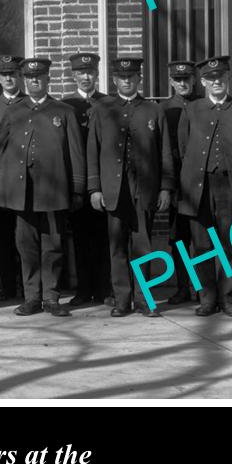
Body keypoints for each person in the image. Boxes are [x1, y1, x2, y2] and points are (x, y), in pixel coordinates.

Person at [0, 58, 85, 317]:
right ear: (24, 80)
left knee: (53, 246)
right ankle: (32, 296)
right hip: (22, 192)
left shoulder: (63, 111)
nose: (34, 81)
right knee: (26, 245)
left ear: (48, 79)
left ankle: (52, 297)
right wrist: (0, 185)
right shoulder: (13, 112)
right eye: (30, 77)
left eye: (39, 77)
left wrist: (77, 189)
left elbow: (75, 153)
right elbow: (1, 152)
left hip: (53, 192)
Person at [177, 56, 232, 317]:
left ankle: (227, 299)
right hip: (199, 188)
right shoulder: (192, 110)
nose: (217, 82)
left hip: (231, 188)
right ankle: (207, 298)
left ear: (227, 80)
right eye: (211, 79)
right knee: (202, 245)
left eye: (221, 78)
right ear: (203, 82)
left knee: (229, 244)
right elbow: (182, 149)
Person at [87, 58, 174, 318]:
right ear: (114, 80)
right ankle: (122, 300)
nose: (127, 81)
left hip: (144, 187)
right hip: (114, 187)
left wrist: (165, 188)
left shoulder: (152, 110)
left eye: (132, 76)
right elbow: (93, 150)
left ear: (139, 79)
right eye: (122, 77)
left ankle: (145, 299)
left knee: (143, 245)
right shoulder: (102, 109)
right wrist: (95, 189)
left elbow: (165, 153)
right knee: (117, 246)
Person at [64, 51, 110, 307]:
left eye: (90, 72)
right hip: (77, 182)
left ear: (97, 75)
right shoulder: (65, 105)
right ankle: (83, 290)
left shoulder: (108, 104)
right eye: (81, 73)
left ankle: (104, 288)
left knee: (105, 238)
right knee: (81, 239)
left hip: (105, 182)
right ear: (73, 76)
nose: (85, 77)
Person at [0, 55, 26, 300]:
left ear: (19, 77)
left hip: (27, 184)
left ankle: (29, 287)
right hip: (3, 185)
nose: (9, 78)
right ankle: (8, 287)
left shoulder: (29, 103)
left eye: (13, 74)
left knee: (27, 239)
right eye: (4, 74)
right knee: (5, 238)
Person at [160, 60, 199, 306]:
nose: (182, 83)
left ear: (194, 80)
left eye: (187, 79)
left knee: (205, 239)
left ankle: (204, 288)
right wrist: (168, 185)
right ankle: (183, 287)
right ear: (171, 82)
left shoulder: (203, 106)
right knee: (180, 238)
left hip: (202, 183)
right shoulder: (163, 110)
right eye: (178, 79)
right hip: (178, 185)